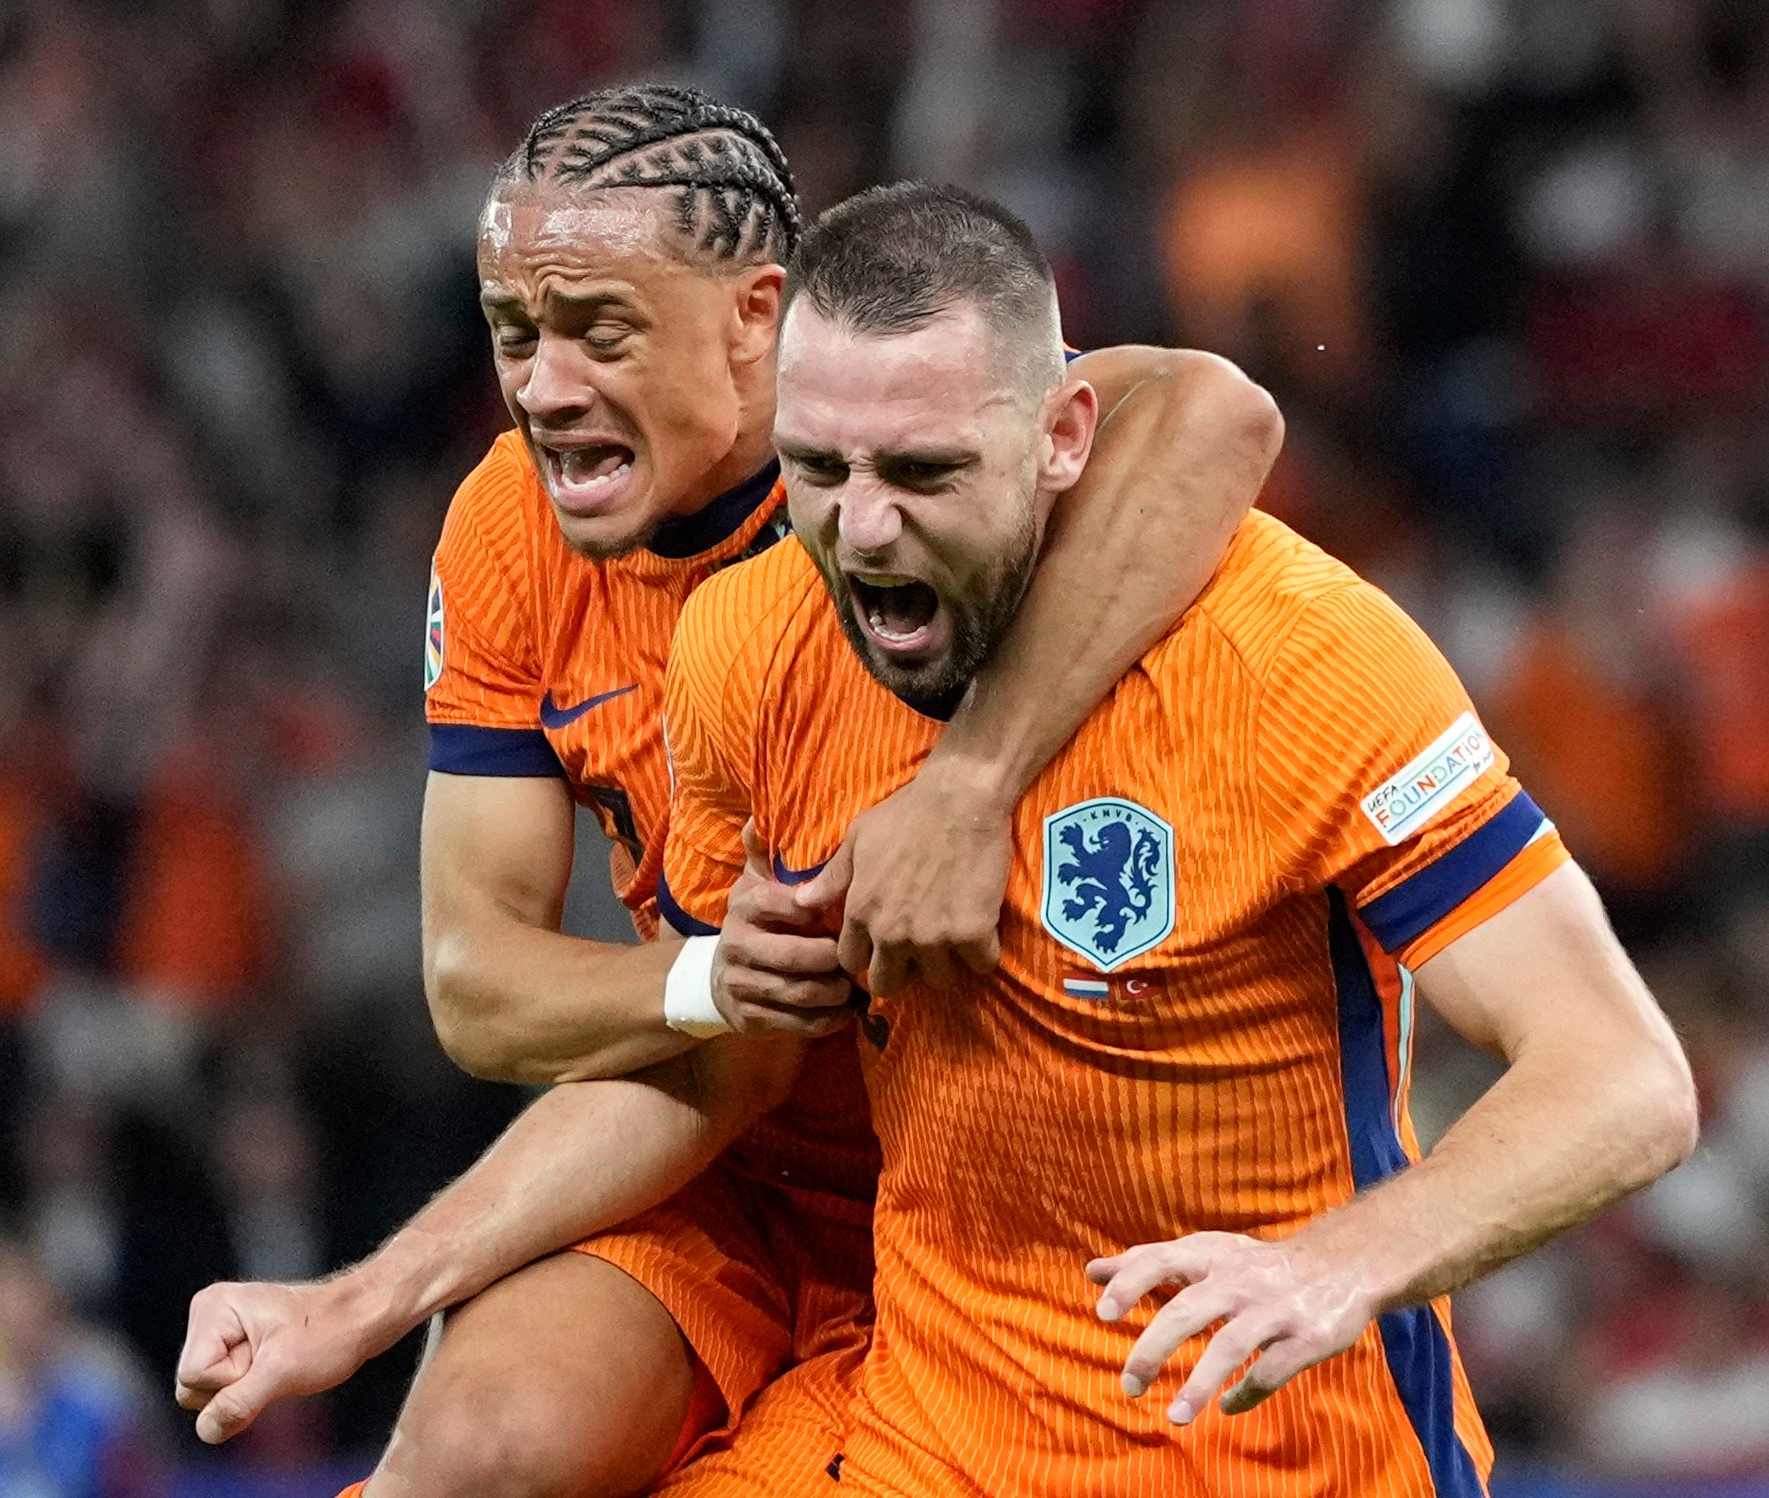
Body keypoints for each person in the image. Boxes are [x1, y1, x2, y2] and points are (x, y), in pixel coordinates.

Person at [179, 87, 1282, 1497]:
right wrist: (708, 980)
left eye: (600, 329)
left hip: (1015, 1188)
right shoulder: (507, 526)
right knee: (465, 1457)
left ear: (758, 316)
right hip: (723, 1155)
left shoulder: (907, 438)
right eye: (515, 331)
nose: (543, 384)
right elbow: (476, 981)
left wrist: (975, 780)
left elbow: (1217, 413)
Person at [645, 183, 1696, 1493]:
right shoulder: (747, 645)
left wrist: (1334, 1262)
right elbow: (723, 1082)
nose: (861, 528)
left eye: (926, 471)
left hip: (1282, 1457)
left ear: (1064, 433)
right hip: (924, 1443)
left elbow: (1623, 1077)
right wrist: (721, 984)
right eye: (819, 468)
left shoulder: (1296, 657)